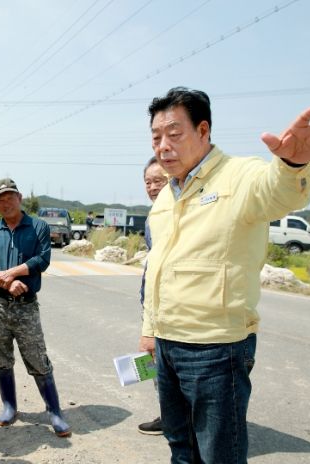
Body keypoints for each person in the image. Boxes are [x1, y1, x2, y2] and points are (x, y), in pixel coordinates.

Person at [138, 87, 310, 462]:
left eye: (174, 134)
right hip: (167, 344)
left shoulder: (239, 175)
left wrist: (292, 165)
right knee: (180, 448)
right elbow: (157, 268)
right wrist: (150, 329)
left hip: (215, 349)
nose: (163, 146)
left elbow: (278, 191)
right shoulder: (167, 195)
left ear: (203, 130)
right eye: (156, 138)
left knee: (219, 454)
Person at [0, 178, 71, 438]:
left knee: (37, 357)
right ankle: (9, 406)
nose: (6, 203)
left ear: (19, 198)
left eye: (10, 197)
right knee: (0, 356)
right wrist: (7, 282)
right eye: (0, 200)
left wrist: (13, 273)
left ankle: (54, 411)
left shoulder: (38, 226)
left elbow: (42, 259)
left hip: (26, 306)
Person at [136, 156, 168, 436]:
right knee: (155, 361)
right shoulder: (153, 215)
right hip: (152, 303)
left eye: (159, 180)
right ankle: (168, 414)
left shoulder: (180, 214)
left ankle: (179, 419)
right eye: (148, 182)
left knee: (169, 364)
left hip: (170, 306)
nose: (152, 187)